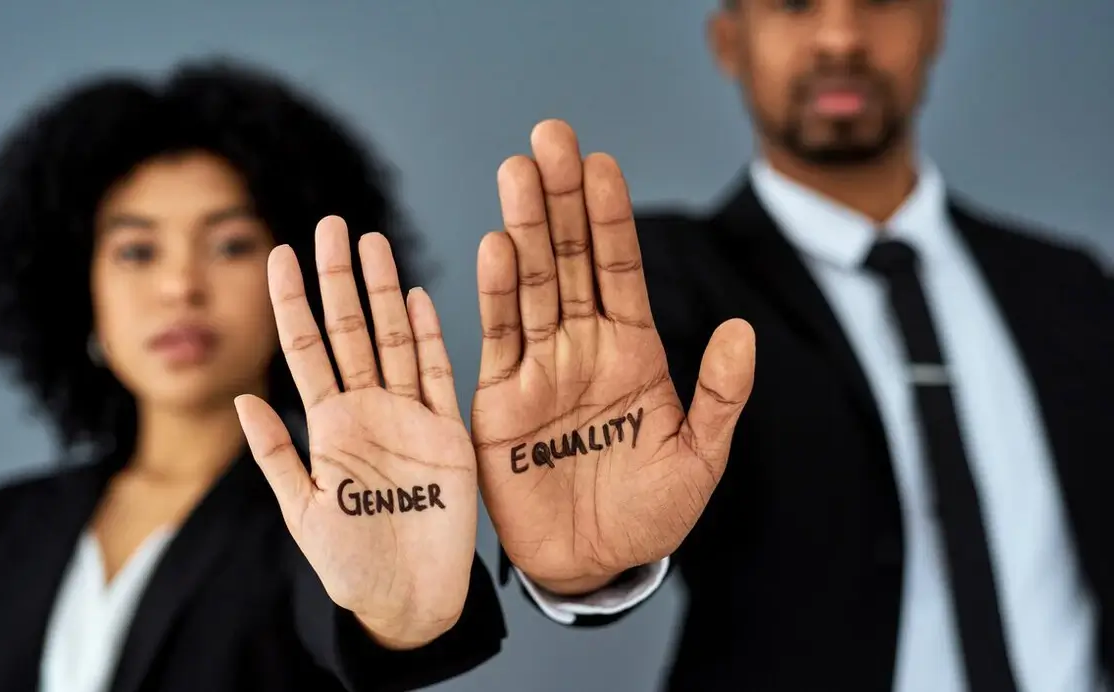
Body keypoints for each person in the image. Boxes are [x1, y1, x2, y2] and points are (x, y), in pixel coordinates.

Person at [470, 1, 1113, 690]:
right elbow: (619, 482)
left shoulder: (1069, 286)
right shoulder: (658, 289)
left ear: (934, 25)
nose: (840, 37)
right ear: (728, 41)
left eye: (878, 1)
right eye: (793, 5)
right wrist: (591, 569)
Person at [0, 59, 504, 692]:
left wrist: (395, 618)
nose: (181, 286)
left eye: (230, 244)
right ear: (77, 288)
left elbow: (367, 622)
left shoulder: (335, 509)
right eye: (137, 251)